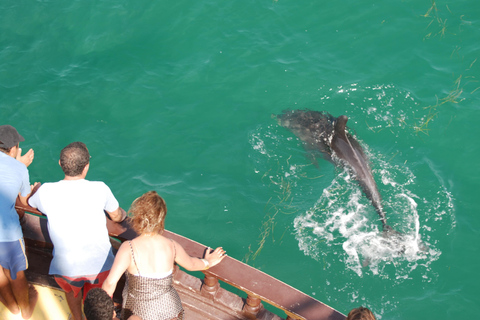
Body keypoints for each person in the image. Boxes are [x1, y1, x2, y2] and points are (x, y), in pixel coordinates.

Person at [28, 141, 127, 320]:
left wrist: (36, 189)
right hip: (100, 266)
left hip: (66, 268)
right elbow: (117, 216)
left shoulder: (46, 191)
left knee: (72, 293)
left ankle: (76, 317)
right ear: (86, 167)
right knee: (98, 303)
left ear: (60, 164)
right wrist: (122, 214)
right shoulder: (100, 188)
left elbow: (30, 202)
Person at [102, 191, 226, 320]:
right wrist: (208, 262)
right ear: (161, 219)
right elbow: (192, 264)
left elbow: (110, 283)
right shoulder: (172, 246)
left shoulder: (129, 248)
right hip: (170, 309)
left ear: (137, 217)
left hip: (138, 310)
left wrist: (107, 311)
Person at [0, 125, 38, 319]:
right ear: (13, 148)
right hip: (7, 235)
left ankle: (12, 307)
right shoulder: (19, 168)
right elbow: (24, 201)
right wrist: (20, 165)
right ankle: (24, 310)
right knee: (17, 274)